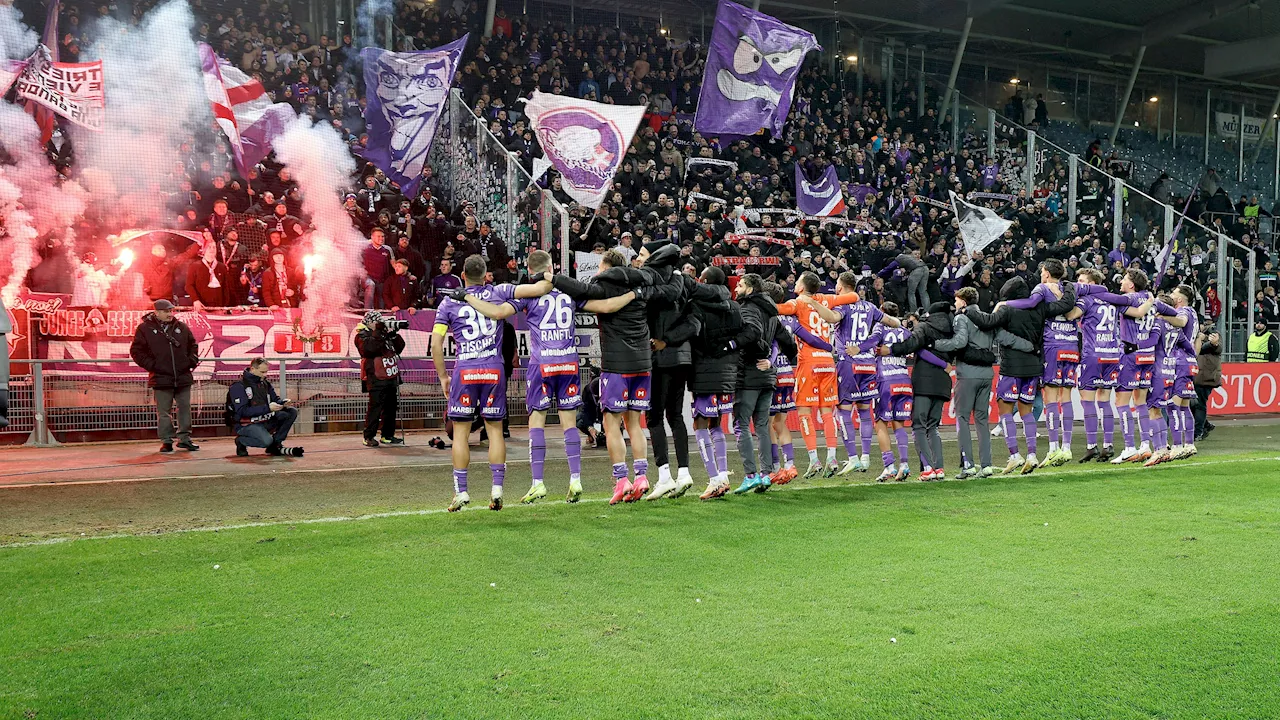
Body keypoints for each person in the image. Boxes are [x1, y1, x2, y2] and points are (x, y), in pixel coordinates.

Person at [456, 250, 634, 504]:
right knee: (569, 424)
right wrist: (633, 295)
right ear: (551, 267)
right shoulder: (569, 291)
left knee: (537, 423)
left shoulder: (529, 293)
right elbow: (605, 306)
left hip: (542, 365)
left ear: (529, 270)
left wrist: (467, 299)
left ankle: (538, 483)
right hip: (568, 362)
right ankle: (575, 479)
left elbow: (497, 313)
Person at [551, 245, 680, 505]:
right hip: (643, 364)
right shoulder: (643, 285)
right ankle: (642, 476)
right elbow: (669, 293)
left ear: (607, 267)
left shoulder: (606, 284)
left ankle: (622, 481)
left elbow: (583, 292)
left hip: (616, 366)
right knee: (635, 424)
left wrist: (552, 279)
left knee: (612, 424)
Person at [964, 276, 1078, 474]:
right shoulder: (1041, 308)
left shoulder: (1007, 310)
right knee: (1027, 411)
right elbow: (1065, 305)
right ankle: (1032, 454)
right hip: (1034, 367)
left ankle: (1015, 455)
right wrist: (1068, 287)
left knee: (1005, 410)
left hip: (1012, 367)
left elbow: (986, 321)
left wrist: (968, 308)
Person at [933, 286, 1033, 478]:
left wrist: (934, 344)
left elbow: (959, 342)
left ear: (963, 301)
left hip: (968, 374)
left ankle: (968, 464)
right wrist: (1030, 346)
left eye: (956, 300)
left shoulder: (962, 318)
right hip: (987, 375)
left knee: (962, 418)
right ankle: (986, 465)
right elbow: (1008, 338)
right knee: (982, 421)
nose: (955, 304)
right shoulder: (988, 319)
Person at [775, 273, 860, 477]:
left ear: (802, 287)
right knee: (827, 413)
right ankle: (831, 457)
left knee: (804, 413)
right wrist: (816, 300)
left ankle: (814, 460)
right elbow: (854, 296)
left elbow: (777, 309)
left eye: (798, 282)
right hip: (828, 362)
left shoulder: (796, 303)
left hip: (809, 363)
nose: (794, 283)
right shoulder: (825, 299)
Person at [732, 273, 796, 494]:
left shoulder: (748, 308)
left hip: (748, 374)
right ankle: (767, 473)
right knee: (761, 426)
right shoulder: (772, 313)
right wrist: (772, 360)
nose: (736, 289)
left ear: (750, 289)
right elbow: (789, 343)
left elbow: (751, 336)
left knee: (741, 424)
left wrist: (757, 353)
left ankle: (750, 475)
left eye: (740, 285)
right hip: (768, 377)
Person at [831, 271, 900, 474]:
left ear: (842, 286)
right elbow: (893, 322)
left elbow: (833, 317)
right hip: (868, 364)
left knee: (843, 410)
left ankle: (852, 457)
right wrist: (896, 324)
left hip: (848, 363)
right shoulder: (869, 307)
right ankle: (866, 457)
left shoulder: (842, 305)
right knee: (864, 412)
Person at [879, 302, 955, 480]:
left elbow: (912, 344)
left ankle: (927, 468)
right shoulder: (952, 330)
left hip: (924, 382)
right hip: (943, 383)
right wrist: (944, 364)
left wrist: (890, 349)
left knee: (919, 426)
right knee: (933, 427)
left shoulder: (925, 327)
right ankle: (939, 468)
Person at [129, 299, 200, 453]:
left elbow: (193, 345)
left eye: (171, 311)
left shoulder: (181, 327)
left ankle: (185, 439)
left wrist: (191, 361)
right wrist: (154, 366)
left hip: (182, 377)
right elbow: (136, 351)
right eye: (166, 311)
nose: (170, 314)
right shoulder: (144, 329)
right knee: (163, 412)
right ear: (157, 312)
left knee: (185, 409)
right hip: (161, 378)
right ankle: (167, 441)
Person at [226, 358, 302, 457]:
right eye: (262, 372)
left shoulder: (265, 383)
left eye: (266, 371)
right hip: (246, 424)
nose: (265, 375)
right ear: (252, 369)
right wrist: (268, 408)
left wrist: (282, 403)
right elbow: (242, 411)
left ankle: (275, 444)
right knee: (266, 441)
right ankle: (241, 441)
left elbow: (275, 399)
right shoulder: (238, 386)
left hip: (265, 419)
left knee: (291, 412)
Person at [356, 309, 407, 449]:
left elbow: (399, 348)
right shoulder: (361, 335)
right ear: (369, 322)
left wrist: (393, 335)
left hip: (390, 376)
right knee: (375, 408)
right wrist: (378, 332)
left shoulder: (382, 335)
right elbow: (369, 349)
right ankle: (369, 437)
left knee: (390, 408)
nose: (380, 324)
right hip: (375, 377)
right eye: (377, 322)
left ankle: (387, 435)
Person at [1193, 328, 1222, 442]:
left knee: (1199, 405)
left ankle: (1198, 432)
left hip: (1207, 377)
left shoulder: (1215, 334)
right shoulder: (1194, 335)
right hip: (1196, 376)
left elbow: (1217, 347)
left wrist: (1209, 342)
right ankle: (1205, 425)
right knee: (1192, 405)